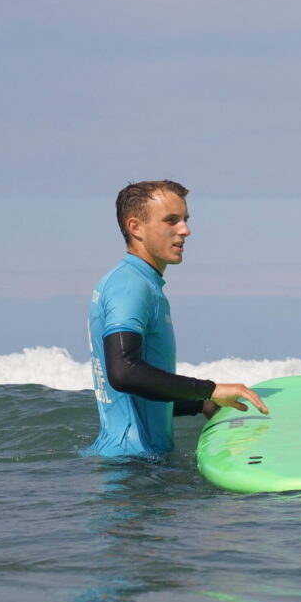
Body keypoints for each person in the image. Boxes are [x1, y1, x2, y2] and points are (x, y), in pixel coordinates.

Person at [87, 180, 268, 457]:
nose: (185, 230)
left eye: (184, 219)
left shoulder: (135, 282)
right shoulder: (130, 286)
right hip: (135, 468)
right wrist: (211, 390)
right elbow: (124, 372)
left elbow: (136, 396)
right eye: (171, 220)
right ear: (135, 227)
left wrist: (200, 403)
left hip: (131, 461)